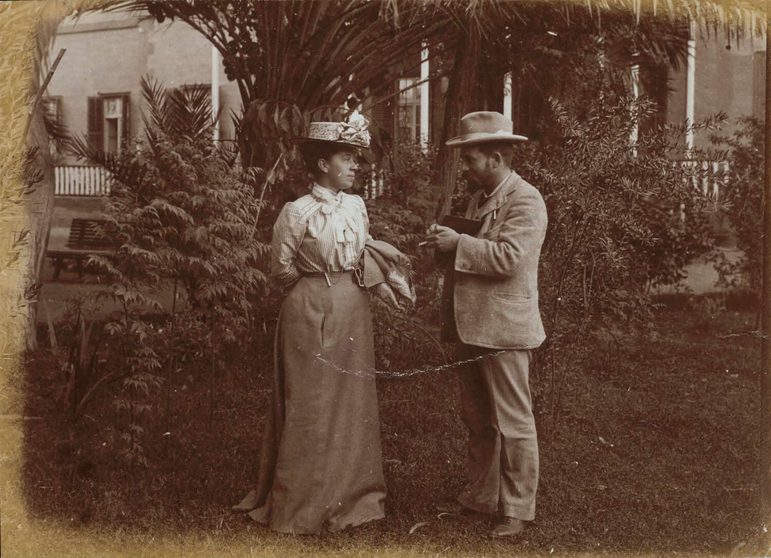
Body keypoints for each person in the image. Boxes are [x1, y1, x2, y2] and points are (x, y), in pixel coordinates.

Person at [233, 118, 411, 534]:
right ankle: (303, 502)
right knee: (311, 402)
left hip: (353, 307)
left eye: (355, 159)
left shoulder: (356, 206)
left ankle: (353, 496)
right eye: (347, 158)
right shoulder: (297, 212)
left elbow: (362, 254)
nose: (355, 166)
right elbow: (281, 269)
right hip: (310, 307)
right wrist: (317, 288)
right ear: (322, 164)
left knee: (351, 402)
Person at [422, 111, 548, 538]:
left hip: (504, 328)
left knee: (513, 421)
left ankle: (518, 508)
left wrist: (458, 242)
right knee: (478, 417)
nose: (465, 167)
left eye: (470, 158)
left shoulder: (526, 200)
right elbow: (476, 251)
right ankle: (481, 496)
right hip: (474, 325)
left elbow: (509, 259)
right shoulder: (481, 198)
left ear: (496, 158)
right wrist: (445, 245)